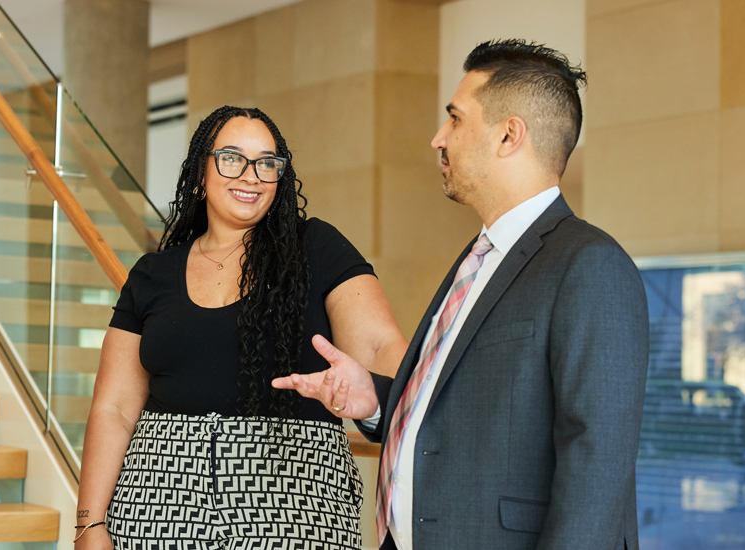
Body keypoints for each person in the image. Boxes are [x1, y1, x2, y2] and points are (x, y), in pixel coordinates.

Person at [275, 39, 650, 550]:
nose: (437, 138)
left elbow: (597, 464)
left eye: (455, 119)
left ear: (508, 135)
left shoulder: (589, 264)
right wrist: (376, 402)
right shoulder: (480, 257)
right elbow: (465, 413)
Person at [74, 106, 408, 549]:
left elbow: (383, 347)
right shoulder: (153, 273)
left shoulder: (318, 248)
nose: (251, 175)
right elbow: (114, 408)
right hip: (156, 504)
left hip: (295, 505)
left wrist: (386, 401)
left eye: (267, 163)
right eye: (232, 158)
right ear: (200, 172)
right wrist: (90, 524)